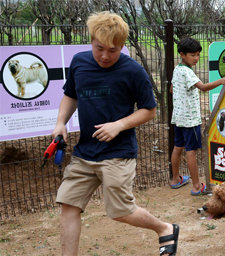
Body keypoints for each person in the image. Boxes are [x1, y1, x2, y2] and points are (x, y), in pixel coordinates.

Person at [51, 11, 178, 256]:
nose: (105, 55)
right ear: (91, 40)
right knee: (68, 205)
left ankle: (164, 227)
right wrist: (60, 123)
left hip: (118, 153)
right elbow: (71, 95)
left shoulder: (133, 71)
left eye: (113, 49)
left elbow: (150, 110)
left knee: (120, 211)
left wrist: (118, 125)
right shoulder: (79, 62)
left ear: (122, 46)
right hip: (84, 152)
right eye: (100, 48)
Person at [170, 37, 225, 195]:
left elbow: (171, 89)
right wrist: (221, 81)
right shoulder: (187, 72)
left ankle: (175, 180)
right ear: (182, 54)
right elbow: (203, 87)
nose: (196, 58)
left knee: (178, 147)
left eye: (198, 55)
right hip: (190, 120)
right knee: (191, 151)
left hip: (178, 117)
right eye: (193, 55)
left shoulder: (177, 70)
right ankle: (197, 187)